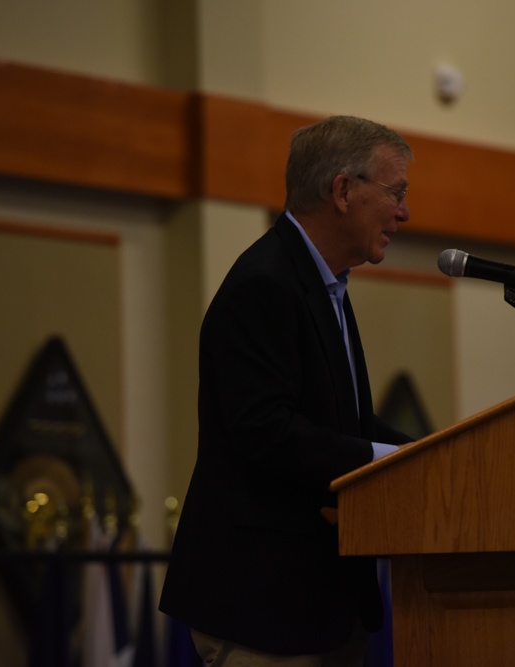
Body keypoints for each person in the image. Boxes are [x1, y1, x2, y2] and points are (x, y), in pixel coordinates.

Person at [159, 115, 414, 666]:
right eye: (395, 192)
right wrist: (388, 460)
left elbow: (344, 423)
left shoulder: (325, 286)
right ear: (343, 191)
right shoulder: (264, 284)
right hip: (261, 605)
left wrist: (431, 452)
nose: (404, 212)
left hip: (317, 606)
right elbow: (267, 432)